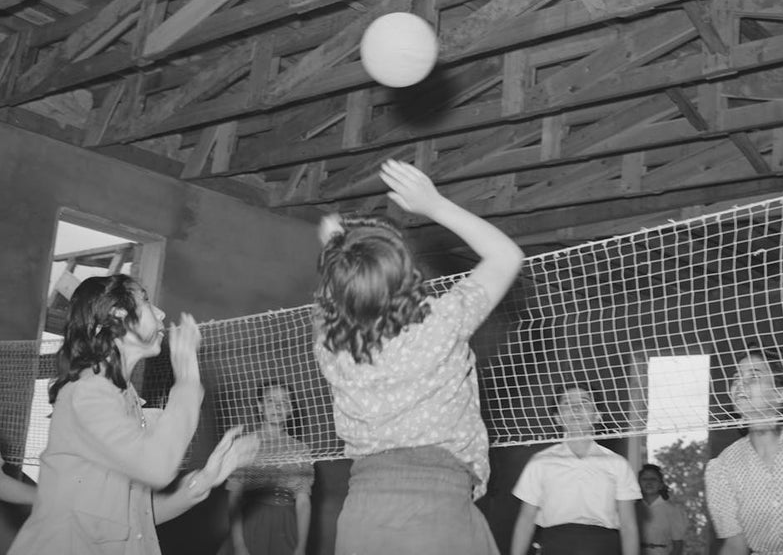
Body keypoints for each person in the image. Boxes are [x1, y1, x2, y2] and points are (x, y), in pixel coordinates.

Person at [314, 159, 524, 555]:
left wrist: (336, 246)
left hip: (362, 512)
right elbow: (506, 256)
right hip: (437, 507)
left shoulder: (330, 347)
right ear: (408, 275)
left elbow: (335, 294)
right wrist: (434, 205)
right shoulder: (440, 325)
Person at [8, 274, 259, 555]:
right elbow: (156, 467)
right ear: (118, 315)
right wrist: (187, 379)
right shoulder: (87, 393)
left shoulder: (125, 400)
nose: (161, 312)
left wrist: (206, 479)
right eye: (147, 301)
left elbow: (136, 521)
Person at [705, 346, 783, 555]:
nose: (740, 384)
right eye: (736, 377)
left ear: (781, 394)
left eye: (754, 376)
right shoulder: (722, 467)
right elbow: (735, 545)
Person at [510, 383, 641, 555]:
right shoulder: (540, 462)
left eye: (585, 402)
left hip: (603, 546)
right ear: (557, 418)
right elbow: (526, 520)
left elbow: (628, 525)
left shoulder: (617, 464)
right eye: (566, 403)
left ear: (597, 416)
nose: (576, 407)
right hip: (554, 544)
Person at [220, 381, 314, 555]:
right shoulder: (245, 445)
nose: (277, 407)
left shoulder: (300, 449)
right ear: (260, 406)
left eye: (285, 402)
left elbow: (302, 502)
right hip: (250, 527)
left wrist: (301, 547)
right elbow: (234, 498)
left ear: (291, 410)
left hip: (286, 530)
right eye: (270, 400)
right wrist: (240, 546)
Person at [636, 463, 686, 555]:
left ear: (661, 484)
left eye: (653, 479)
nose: (649, 482)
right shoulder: (632, 509)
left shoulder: (673, 510)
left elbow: (678, 545)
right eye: (644, 479)